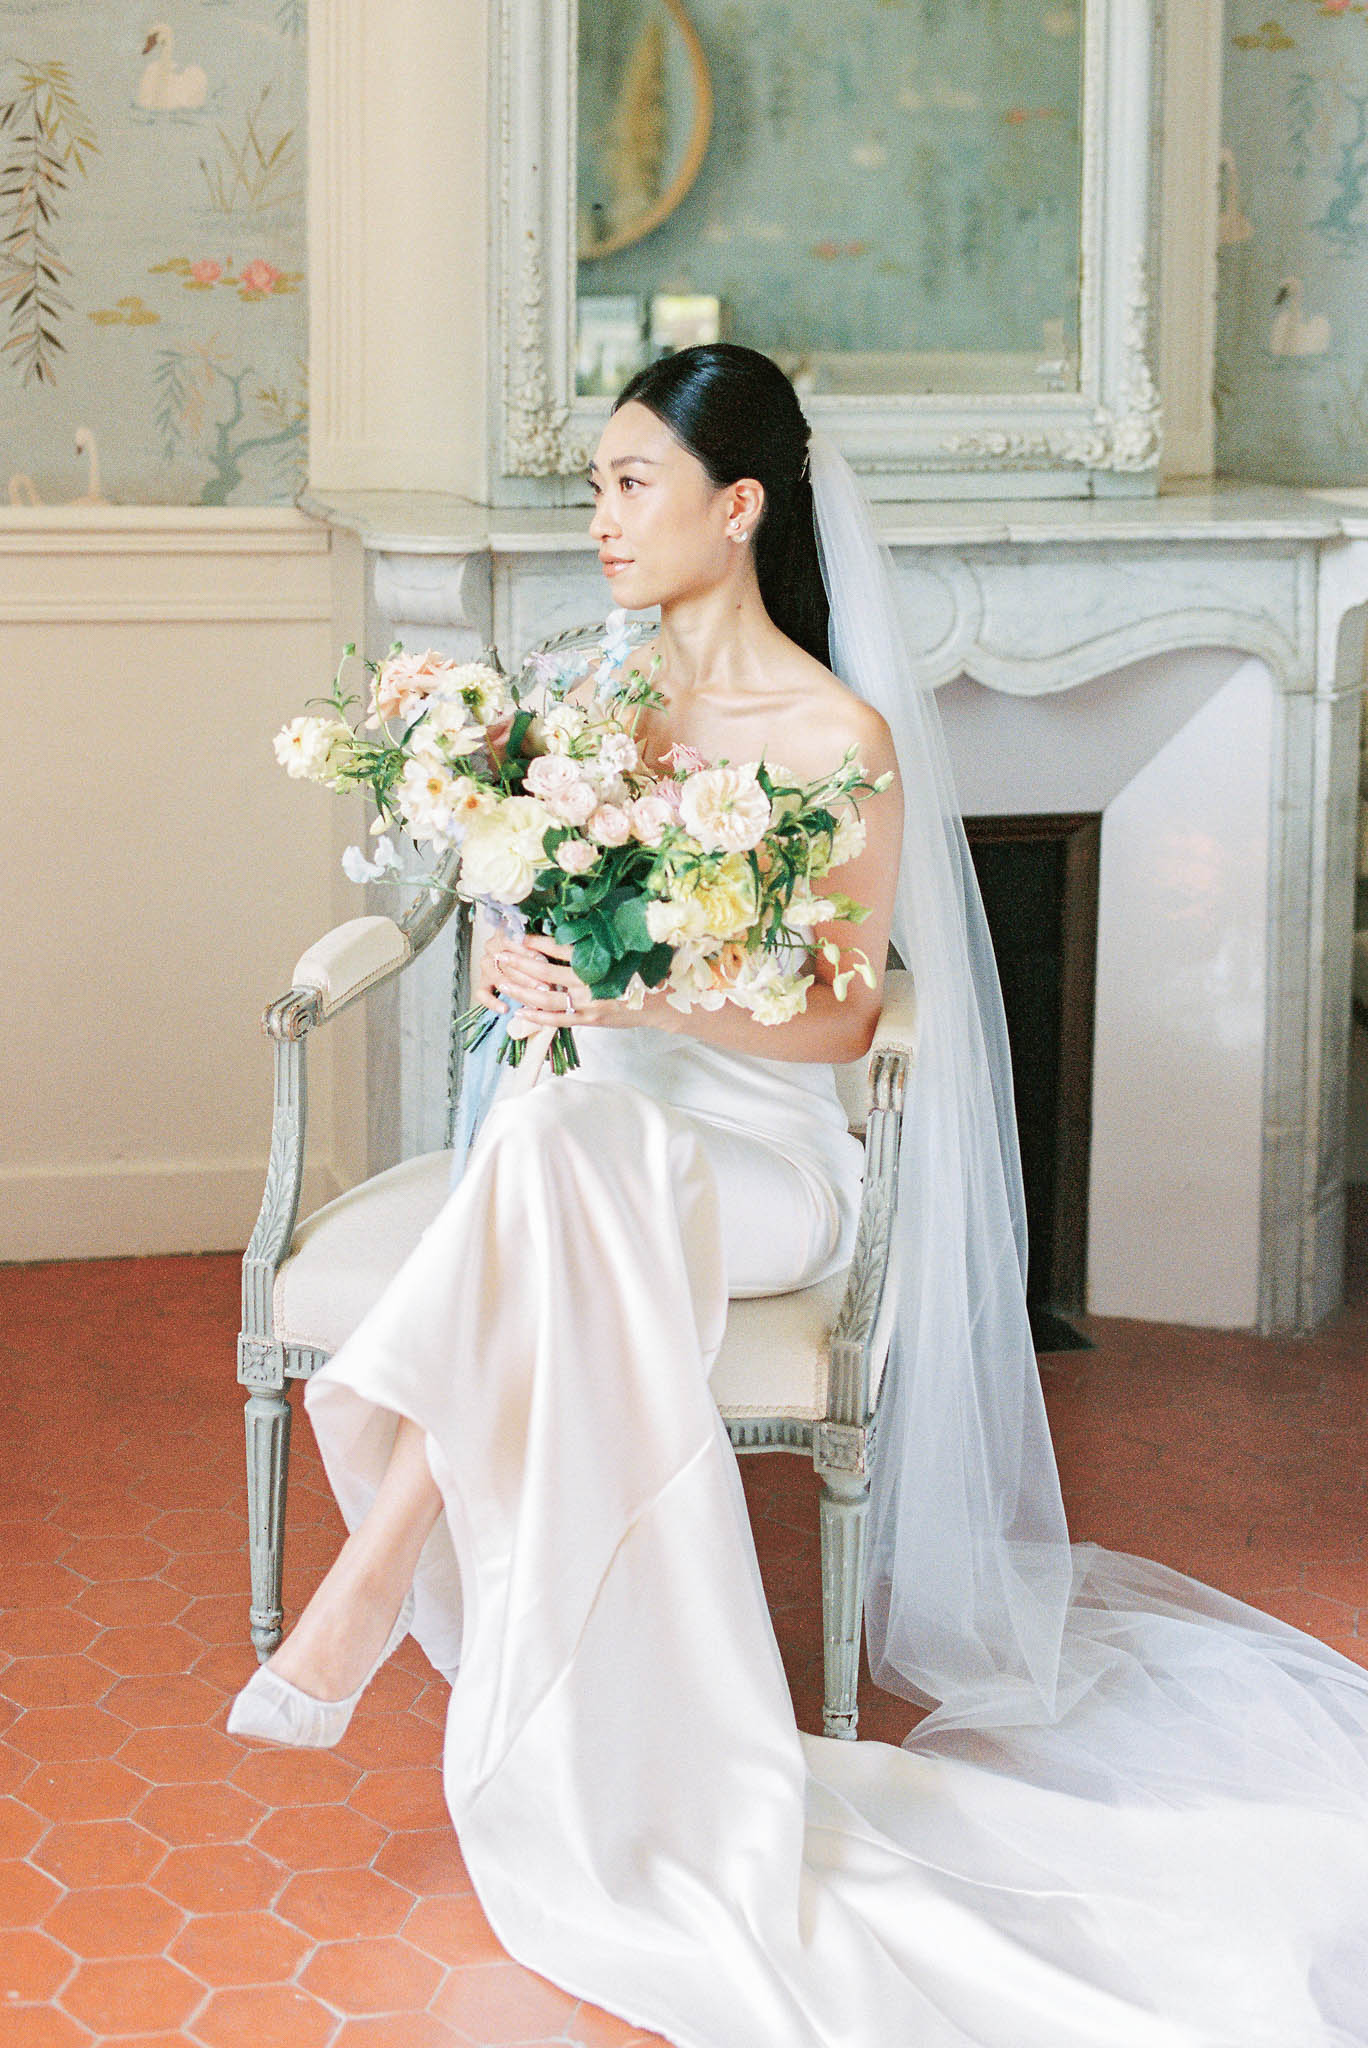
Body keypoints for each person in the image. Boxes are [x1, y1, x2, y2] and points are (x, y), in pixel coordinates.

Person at [230, 345, 1368, 2048]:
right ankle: (398, 1558)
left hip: (771, 1164)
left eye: (633, 484)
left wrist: (639, 999)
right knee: (558, 1143)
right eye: (599, 484)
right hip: (607, 1144)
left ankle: (387, 1545)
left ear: (737, 504)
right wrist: (518, 941)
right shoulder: (594, 711)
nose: (602, 516)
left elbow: (843, 1010)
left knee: (561, 1149)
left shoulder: (837, 730)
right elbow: (528, 909)